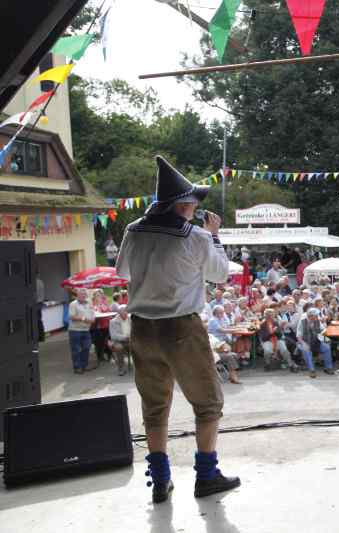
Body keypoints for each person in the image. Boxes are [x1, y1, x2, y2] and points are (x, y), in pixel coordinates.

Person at [116, 155, 240, 504]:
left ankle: (160, 481)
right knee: (208, 403)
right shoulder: (198, 236)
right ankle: (206, 476)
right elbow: (220, 274)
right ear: (183, 205)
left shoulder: (132, 230)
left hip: (141, 328)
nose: (196, 210)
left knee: (154, 407)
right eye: (193, 204)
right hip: (181, 326)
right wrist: (215, 237)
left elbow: (122, 273)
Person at [296, 308, 334, 377]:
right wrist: (304, 344)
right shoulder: (302, 322)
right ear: (310, 316)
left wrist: (326, 338)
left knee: (327, 347)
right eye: (315, 315)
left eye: (317, 315)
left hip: (316, 341)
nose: (317, 317)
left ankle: (328, 367)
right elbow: (298, 336)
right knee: (306, 350)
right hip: (304, 342)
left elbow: (323, 330)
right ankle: (312, 370)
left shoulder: (317, 321)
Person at [68, 288, 95, 374]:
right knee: (76, 349)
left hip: (86, 329)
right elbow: (71, 317)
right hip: (75, 330)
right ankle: (77, 367)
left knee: (86, 347)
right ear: (77, 295)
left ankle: (84, 365)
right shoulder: (73, 304)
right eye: (81, 294)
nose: (83, 296)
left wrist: (92, 320)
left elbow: (92, 315)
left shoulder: (89, 304)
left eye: (84, 294)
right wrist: (84, 319)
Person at [91, 290, 113, 363]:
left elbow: (110, 311)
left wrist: (105, 305)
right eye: (97, 295)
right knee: (98, 342)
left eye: (99, 295)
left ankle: (109, 355)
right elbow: (93, 314)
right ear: (94, 297)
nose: (99, 297)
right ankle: (100, 357)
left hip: (105, 325)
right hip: (96, 326)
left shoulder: (104, 304)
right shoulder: (92, 305)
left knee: (106, 341)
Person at [109, 305, 132, 376]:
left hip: (130, 340)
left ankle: (140, 367)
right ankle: (121, 368)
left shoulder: (131, 319)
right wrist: (125, 337)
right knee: (119, 348)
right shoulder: (113, 321)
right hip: (118, 341)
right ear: (119, 312)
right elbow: (114, 335)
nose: (125, 312)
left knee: (140, 346)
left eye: (126, 310)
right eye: (123, 311)